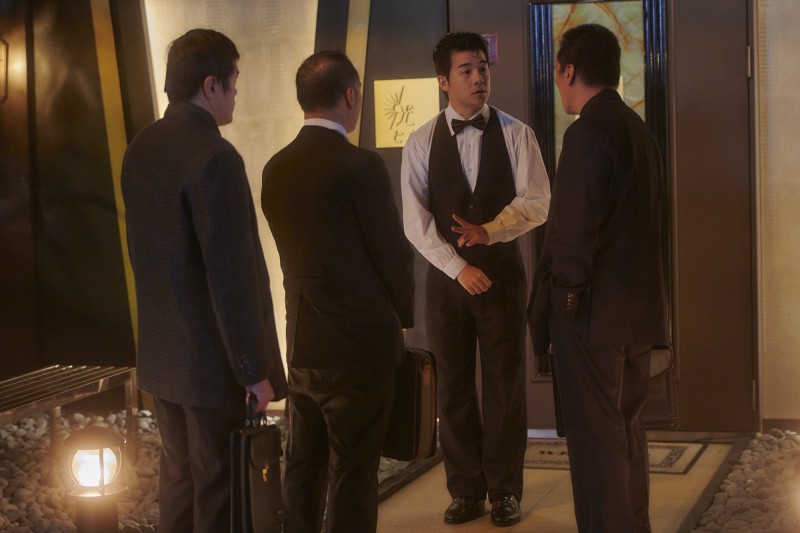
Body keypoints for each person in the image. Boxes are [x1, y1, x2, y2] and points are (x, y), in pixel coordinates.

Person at [121, 28, 288, 533]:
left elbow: (145, 257)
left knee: (179, 479)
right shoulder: (215, 158)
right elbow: (231, 280)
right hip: (211, 362)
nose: (236, 94)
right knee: (219, 487)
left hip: (161, 355)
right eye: (234, 81)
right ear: (211, 85)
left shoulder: (141, 148)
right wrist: (252, 369)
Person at [261, 50, 415, 533]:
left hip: (303, 341)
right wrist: (404, 317)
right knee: (352, 473)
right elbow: (392, 253)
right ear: (350, 95)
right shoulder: (361, 166)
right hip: (358, 347)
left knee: (302, 465)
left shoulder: (275, 168)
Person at [401, 31, 550, 526]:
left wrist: (492, 230)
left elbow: (537, 202)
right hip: (447, 285)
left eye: (482, 67)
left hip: (502, 278)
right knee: (454, 389)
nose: (478, 77)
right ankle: (465, 489)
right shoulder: (421, 140)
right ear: (444, 81)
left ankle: (505, 490)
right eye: (465, 70)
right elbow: (415, 222)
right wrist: (458, 267)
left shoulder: (517, 133)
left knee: (505, 387)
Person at [529, 23, 669, 532]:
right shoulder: (637, 129)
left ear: (569, 70)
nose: (557, 83)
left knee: (596, 446)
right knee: (626, 432)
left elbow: (571, 234)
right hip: (636, 313)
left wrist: (563, 303)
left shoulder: (587, 133)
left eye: (557, 72)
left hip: (592, 317)